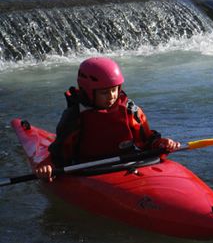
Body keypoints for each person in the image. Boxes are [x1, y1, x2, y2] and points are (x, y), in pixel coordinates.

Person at [34, 57, 180, 181]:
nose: (111, 96)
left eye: (114, 90)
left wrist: (161, 144)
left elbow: (147, 142)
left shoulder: (129, 110)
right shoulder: (75, 116)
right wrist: (49, 165)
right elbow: (61, 154)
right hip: (89, 168)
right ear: (88, 91)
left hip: (128, 163)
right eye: (104, 92)